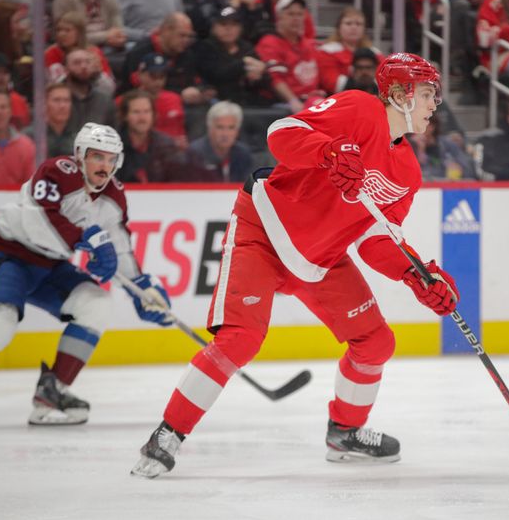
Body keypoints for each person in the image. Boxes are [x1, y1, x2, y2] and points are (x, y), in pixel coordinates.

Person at [130, 53, 460, 478]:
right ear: (398, 94)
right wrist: (328, 151)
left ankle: (346, 432)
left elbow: (377, 238)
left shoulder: (408, 172)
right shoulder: (360, 108)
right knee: (241, 338)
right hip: (264, 229)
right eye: (429, 94)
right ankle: (167, 434)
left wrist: (417, 275)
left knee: (375, 341)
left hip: (320, 258)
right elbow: (282, 133)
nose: (435, 105)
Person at [0, 123, 174, 425]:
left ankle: (52, 392)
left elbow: (119, 246)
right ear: (79, 155)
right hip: (10, 252)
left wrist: (142, 290)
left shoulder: (114, 196)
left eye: (111, 159)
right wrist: (84, 237)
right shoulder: (57, 171)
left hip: (50, 264)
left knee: (96, 303)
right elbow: (39, 218)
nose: (105, 166)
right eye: (97, 157)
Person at [255, 0, 321, 113]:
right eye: (290, 14)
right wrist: (293, 101)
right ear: (279, 17)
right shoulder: (270, 42)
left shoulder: (308, 44)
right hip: (284, 103)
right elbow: (275, 79)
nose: (296, 19)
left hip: (313, 99)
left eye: (300, 14)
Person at [195, 4, 271, 106]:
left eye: (234, 25)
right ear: (214, 27)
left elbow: (264, 81)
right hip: (217, 102)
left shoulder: (246, 47)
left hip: (247, 102)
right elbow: (216, 75)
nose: (228, 29)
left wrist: (258, 75)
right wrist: (243, 63)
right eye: (223, 24)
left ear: (240, 28)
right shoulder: (206, 47)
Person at [116, 89, 193, 182]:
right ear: (125, 115)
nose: (142, 118)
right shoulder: (113, 145)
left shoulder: (166, 145)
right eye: (136, 112)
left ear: (154, 115)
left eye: (147, 111)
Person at [117, 52, 186, 148]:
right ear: (140, 75)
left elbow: (181, 132)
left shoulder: (175, 99)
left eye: (162, 76)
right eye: (153, 76)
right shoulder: (123, 101)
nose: (158, 81)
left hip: (173, 152)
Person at [316, 6, 381, 95]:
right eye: (348, 23)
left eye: (358, 24)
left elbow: (384, 81)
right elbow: (332, 84)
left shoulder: (375, 53)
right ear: (339, 28)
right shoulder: (326, 52)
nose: (354, 27)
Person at [188, 100, 254, 182]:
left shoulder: (243, 153)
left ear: (237, 131)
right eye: (220, 127)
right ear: (210, 128)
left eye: (231, 128)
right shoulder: (195, 152)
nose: (225, 134)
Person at [52, 0, 127, 52]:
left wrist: (119, 38)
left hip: (109, 46)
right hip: (77, 50)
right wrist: (105, 36)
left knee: (135, 51)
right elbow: (66, 37)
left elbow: (119, 30)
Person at [65, 47, 117, 132]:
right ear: (66, 69)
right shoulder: (56, 98)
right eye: (77, 63)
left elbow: (112, 132)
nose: (84, 66)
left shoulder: (105, 100)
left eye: (87, 62)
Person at [24, 82, 77, 158]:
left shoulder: (76, 138)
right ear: (44, 104)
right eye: (56, 100)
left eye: (66, 100)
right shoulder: (30, 136)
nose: (62, 105)